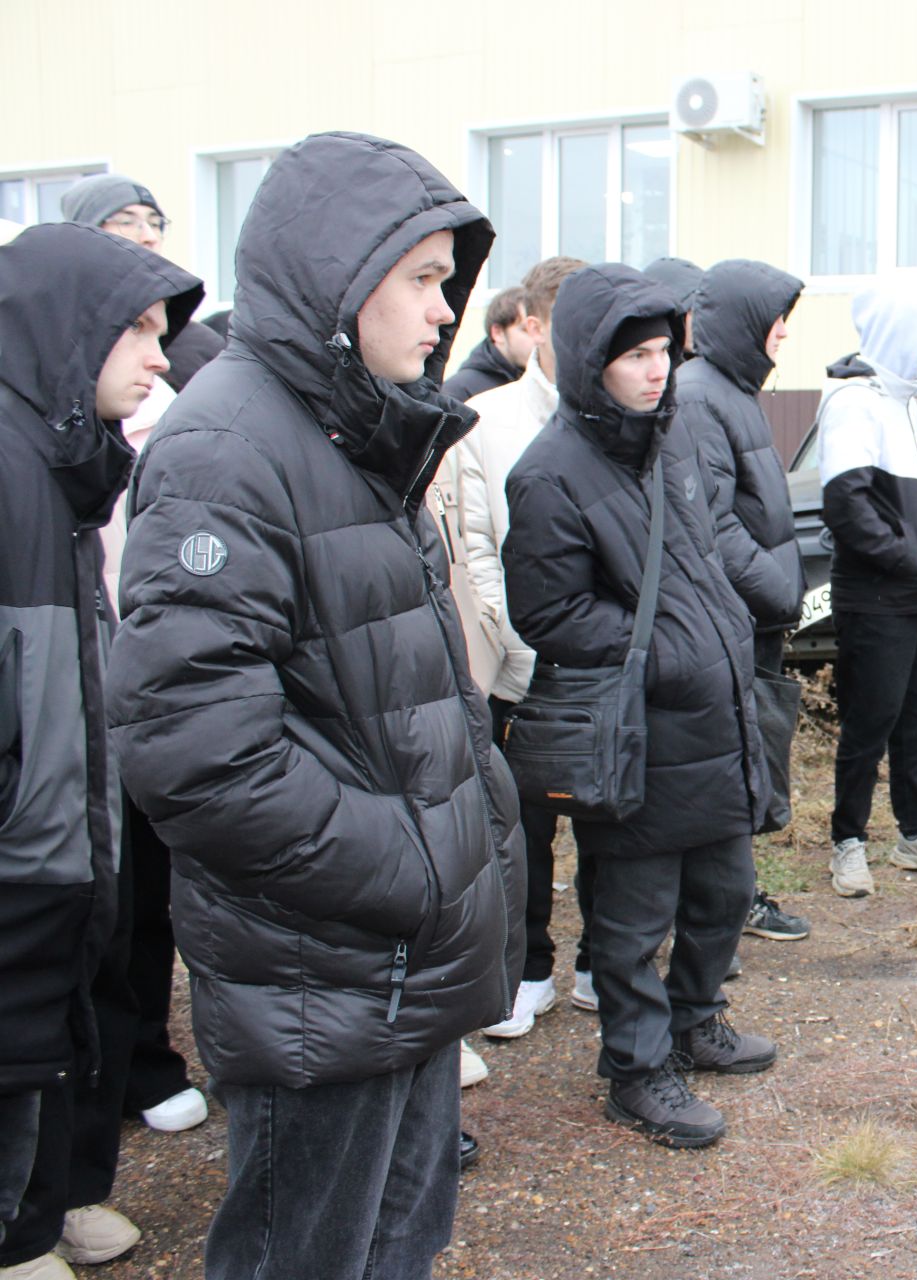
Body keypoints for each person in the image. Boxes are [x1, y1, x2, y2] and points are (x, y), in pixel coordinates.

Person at [107, 131, 526, 1280]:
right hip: (328, 963)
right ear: (341, 277)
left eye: (452, 279)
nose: (445, 311)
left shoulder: (357, 427)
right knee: (307, 1254)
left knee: (402, 1235)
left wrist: (456, 852)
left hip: (403, 953)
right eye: (424, 278)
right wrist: (413, 869)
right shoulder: (227, 447)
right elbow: (197, 754)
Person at [503, 264, 775, 1148]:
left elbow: (706, 559)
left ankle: (697, 1023)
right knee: (631, 919)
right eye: (634, 355)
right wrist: (662, 648)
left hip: (713, 718)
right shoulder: (551, 472)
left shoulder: (673, 443)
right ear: (591, 361)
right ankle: (635, 1068)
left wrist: (725, 629)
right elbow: (546, 612)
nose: (656, 370)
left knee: (723, 893)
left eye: (662, 350)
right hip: (637, 735)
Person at [0, 222, 200, 1280]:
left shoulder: (63, 465)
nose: (160, 355)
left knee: (75, 1002)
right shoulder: (8, 470)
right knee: (20, 1025)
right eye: (134, 329)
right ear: (63, 331)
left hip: (73, 817)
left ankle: (61, 1195)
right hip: (26, 834)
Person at [454, 257, 588, 1037]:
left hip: (603, 664)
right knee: (523, 826)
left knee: (609, 820)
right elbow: (476, 548)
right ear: (531, 326)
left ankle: (601, 961)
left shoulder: (620, 415)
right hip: (521, 665)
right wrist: (520, 641)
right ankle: (529, 965)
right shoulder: (487, 419)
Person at [818, 283, 917, 899]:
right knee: (869, 721)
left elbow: (908, 506)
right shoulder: (855, 402)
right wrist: (911, 561)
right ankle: (847, 841)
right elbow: (847, 506)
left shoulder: (903, 404)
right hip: (875, 598)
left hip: (912, 596)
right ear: (900, 331)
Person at [679, 259, 812, 942]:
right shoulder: (700, 397)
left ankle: (736, 900)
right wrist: (777, 588)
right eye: (774, 319)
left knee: (753, 761)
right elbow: (714, 526)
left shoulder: (732, 391)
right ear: (741, 324)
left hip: (754, 620)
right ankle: (721, 913)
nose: (784, 333)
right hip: (733, 620)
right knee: (729, 771)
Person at [60, 174, 224, 391]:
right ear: (84, 232)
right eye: (127, 222)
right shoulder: (58, 337)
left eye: (156, 224)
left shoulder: (200, 343)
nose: (150, 236)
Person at [443, 285, 532, 402]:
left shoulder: (540, 382)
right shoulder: (458, 391)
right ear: (498, 333)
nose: (537, 338)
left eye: (538, 329)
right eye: (526, 329)